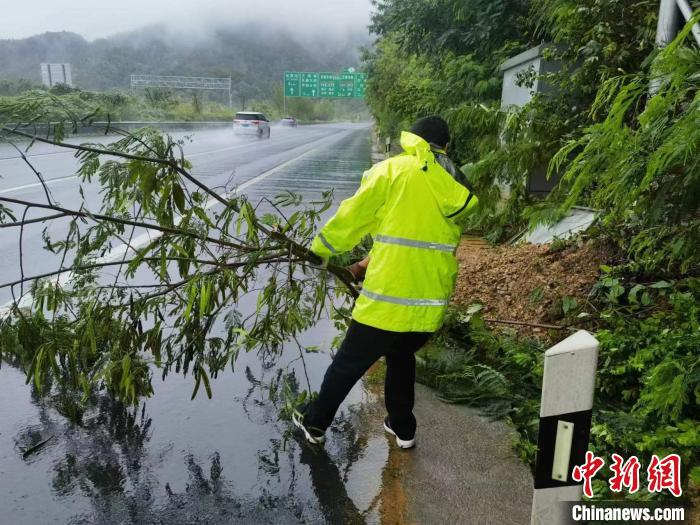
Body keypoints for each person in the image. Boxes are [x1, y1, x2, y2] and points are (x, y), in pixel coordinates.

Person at [293, 116, 478, 448]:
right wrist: (363, 264)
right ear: (444, 147)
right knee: (401, 357)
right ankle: (403, 428)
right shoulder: (454, 183)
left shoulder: (392, 171)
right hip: (427, 306)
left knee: (349, 363)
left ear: (413, 140)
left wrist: (320, 250)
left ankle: (315, 423)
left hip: (387, 300)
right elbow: (410, 238)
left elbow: (354, 216)